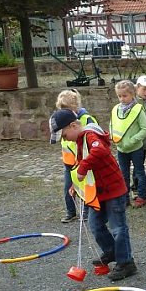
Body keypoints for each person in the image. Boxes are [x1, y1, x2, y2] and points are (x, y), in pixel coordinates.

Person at [50, 108, 137, 281]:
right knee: (95, 225)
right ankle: (112, 251)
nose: (65, 140)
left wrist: (83, 168)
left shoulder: (90, 136)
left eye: (65, 135)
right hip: (97, 192)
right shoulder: (80, 141)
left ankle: (126, 262)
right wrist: (76, 185)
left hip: (113, 190)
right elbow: (82, 164)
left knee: (118, 228)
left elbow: (100, 152)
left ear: (73, 125)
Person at [53, 90, 97, 223]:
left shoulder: (86, 119)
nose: (64, 112)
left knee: (86, 186)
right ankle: (70, 212)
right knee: (68, 188)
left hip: (83, 161)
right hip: (69, 162)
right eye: (61, 109)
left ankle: (87, 211)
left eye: (67, 109)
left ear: (76, 106)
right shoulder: (61, 121)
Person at [111, 80, 146, 208]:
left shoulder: (138, 109)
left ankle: (142, 197)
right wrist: (112, 136)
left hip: (136, 148)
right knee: (123, 174)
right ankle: (124, 197)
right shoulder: (116, 109)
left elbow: (145, 129)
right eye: (119, 96)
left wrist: (132, 140)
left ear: (132, 94)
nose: (122, 99)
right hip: (121, 149)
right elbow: (113, 124)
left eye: (124, 96)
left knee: (139, 173)